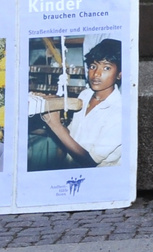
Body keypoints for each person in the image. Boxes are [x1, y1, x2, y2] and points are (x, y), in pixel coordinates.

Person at [34, 38, 124, 167]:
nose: (96, 74)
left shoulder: (119, 113)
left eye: (106, 68)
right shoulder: (86, 95)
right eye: (93, 66)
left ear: (119, 74)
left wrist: (55, 125)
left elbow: (90, 161)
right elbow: (72, 136)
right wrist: (52, 108)